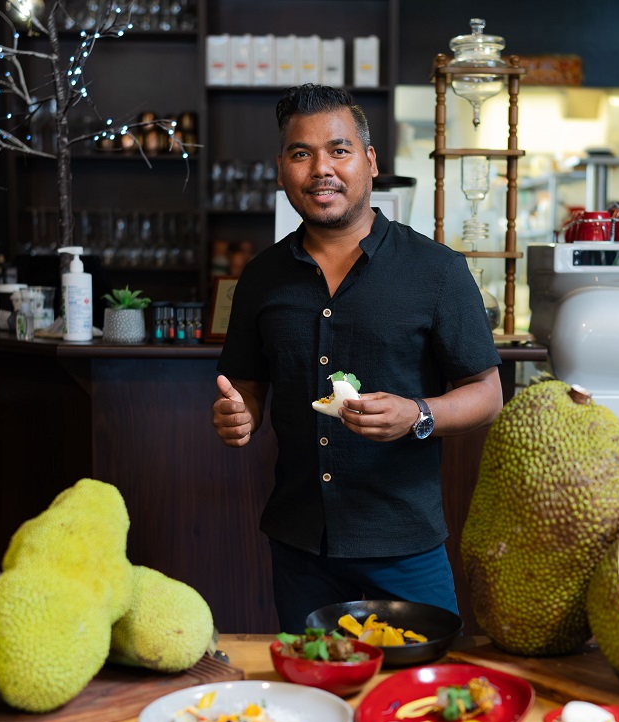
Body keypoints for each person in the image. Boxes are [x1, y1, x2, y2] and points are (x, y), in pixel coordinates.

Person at [211, 84, 502, 633]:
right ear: (281, 169)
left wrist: (418, 415)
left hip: (405, 540)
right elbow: (245, 389)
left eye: (339, 150)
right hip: (301, 543)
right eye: (302, 153)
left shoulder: (437, 271)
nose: (322, 168)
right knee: (315, 698)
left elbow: (488, 394)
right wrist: (237, 415)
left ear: (369, 162)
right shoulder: (261, 277)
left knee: (429, 694)